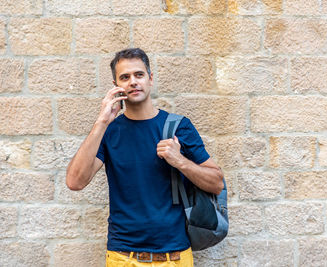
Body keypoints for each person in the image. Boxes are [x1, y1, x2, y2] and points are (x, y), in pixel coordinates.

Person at [66, 48, 224, 267]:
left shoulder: (178, 126)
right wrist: (101, 122)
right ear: (116, 86)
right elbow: (75, 182)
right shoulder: (109, 131)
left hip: (175, 256)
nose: (133, 81)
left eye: (139, 75)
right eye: (125, 77)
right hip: (123, 256)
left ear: (150, 78)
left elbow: (216, 183)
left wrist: (179, 161)